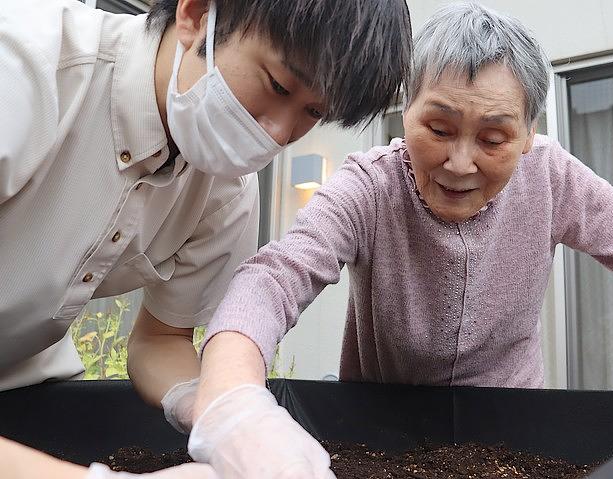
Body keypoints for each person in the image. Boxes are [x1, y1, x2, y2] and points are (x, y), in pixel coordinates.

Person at [186, 3, 613, 478]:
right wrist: (234, 398)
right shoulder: (370, 185)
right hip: (378, 435)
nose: (459, 163)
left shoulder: (550, 178)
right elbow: (276, 276)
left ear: (528, 135)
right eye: (439, 128)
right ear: (406, 113)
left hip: (514, 433)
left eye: (494, 138)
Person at [0, 0, 411, 477]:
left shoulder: (226, 191)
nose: (279, 132)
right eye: (278, 85)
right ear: (195, 16)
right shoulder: (26, 73)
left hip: (26, 395)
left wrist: (222, 412)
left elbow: (161, 340)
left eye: (313, 112)